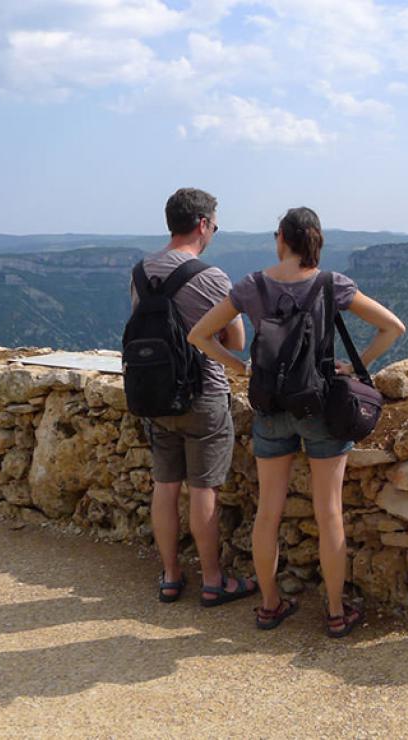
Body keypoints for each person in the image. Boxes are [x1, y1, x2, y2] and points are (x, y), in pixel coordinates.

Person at [189, 206, 405, 637]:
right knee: (330, 514)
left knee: (267, 514)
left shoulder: (252, 285)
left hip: (271, 408)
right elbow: (393, 327)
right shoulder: (330, 284)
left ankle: (270, 606)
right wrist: (354, 366)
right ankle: (336, 612)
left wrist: (240, 367)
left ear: (282, 239)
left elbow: (199, 335)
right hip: (320, 408)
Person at [134, 187, 254, 607]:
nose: (215, 232)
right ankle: (213, 580)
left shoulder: (140, 270)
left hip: (155, 393)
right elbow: (236, 341)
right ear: (202, 224)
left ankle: (169, 576)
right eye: (215, 225)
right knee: (204, 490)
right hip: (203, 393)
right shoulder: (210, 276)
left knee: (165, 486)